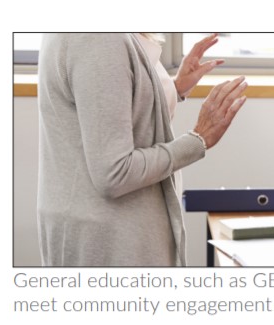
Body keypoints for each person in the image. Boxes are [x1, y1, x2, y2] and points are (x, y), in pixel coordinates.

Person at [38, 33, 247, 266]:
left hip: (107, 229)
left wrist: (172, 88)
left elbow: (121, 117)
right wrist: (198, 139)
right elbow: (115, 172)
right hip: (111, 238)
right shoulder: (99, 38)